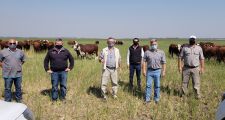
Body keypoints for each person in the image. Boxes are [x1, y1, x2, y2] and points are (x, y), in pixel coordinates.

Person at [142, 39, 166, 104]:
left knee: (157, 86)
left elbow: (164, 63)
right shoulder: (147, 52)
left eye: (155, 44)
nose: (154, 45)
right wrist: (143, 70)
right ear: (150, 45)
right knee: (148, 85)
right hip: (149, 71)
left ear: (157, 44)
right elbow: (144, 62)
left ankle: (156, 99)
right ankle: (147, 99)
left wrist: (163, 71)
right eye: (152, 44)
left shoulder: (161, 52)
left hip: (158, 71)